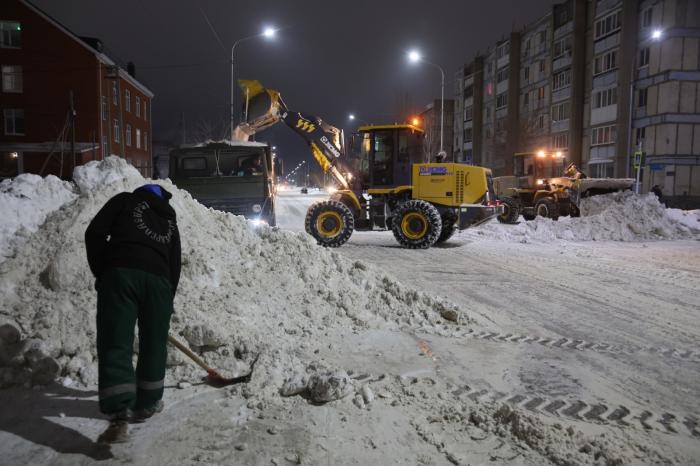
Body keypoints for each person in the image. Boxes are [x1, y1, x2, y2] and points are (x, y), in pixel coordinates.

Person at [85, 184, 181, 443]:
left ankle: (119, 415)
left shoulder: (124, 201)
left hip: (121, 274)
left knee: (116, 341)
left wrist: (103, 271)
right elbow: (175, 264)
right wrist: (165, 298)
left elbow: (95, 233)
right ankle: (147, 403)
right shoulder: (168, 220)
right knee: (154, 343)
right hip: (160, 283)